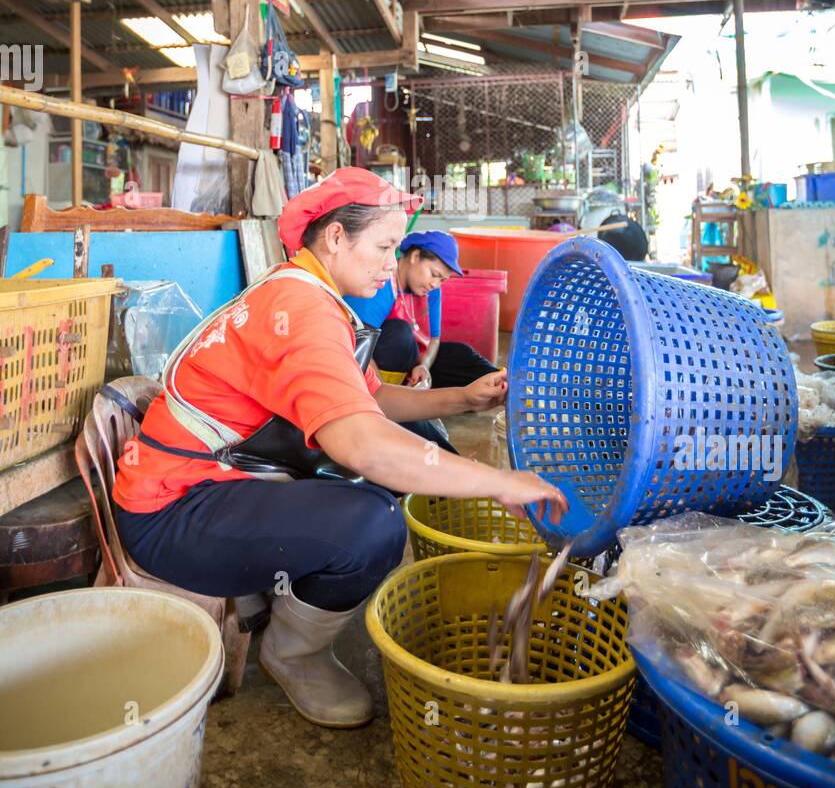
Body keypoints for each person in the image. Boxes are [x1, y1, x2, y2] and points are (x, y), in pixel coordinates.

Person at [112, 168, 566, 730]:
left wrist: (463, 400)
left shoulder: (306, 294)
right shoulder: (300, 312)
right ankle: (293, 653)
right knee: (373, 524)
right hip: (171, 512)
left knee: (402, 463)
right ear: (334, 238)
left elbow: (371, 399)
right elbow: (360, 442)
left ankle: (280, 591)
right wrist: (501, 483)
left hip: (216, 485)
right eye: (382, 247)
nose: (388, 263)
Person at [347, 230, 498, 390]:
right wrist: (382, 391)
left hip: (411, 363)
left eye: (442, 280)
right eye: (434, 274)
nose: (436, 284)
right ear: (415, 257)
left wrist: (424, 366)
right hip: (368, 364)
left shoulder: (432, 290)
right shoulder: (381, 283)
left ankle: (509, 385)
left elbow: (434, 340)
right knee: (401, 333)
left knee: (461, 354)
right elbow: (358, 346)